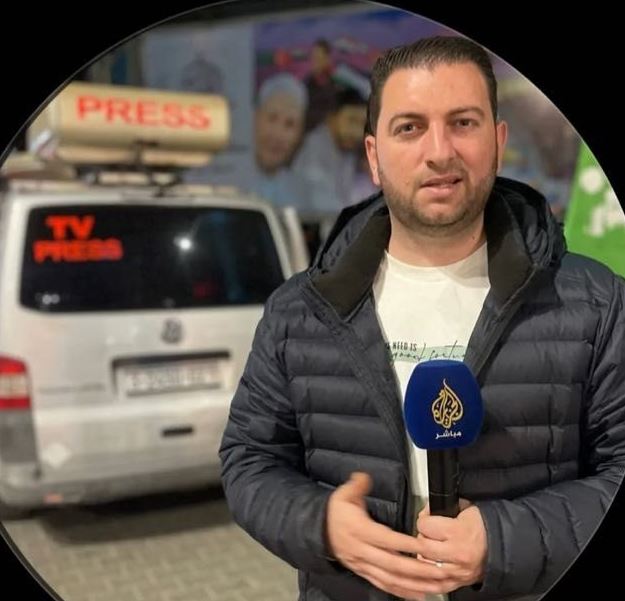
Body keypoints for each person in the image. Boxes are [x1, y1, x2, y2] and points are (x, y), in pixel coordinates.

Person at [219, 35, 625, 601]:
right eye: (409, 127)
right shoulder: (299, 311)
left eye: (463, 123)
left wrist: (504, 540)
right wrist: (321, 525)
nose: (439, 151)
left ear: (498, 141)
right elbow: (249, 461)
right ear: (373, 156)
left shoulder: (598, 304)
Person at [293, 85, 377, 214]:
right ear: (331, 118)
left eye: (361, 124)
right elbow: (322, 204)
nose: (356, 132)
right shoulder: (315, 148)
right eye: (351, 120)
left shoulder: (347, 151)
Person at [250, 72, 309, 208]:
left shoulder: (304, 195)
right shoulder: (226, 181)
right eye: (272, 118)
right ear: (255, 118)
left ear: (299, 135)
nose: (278, 134)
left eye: (290, 124)